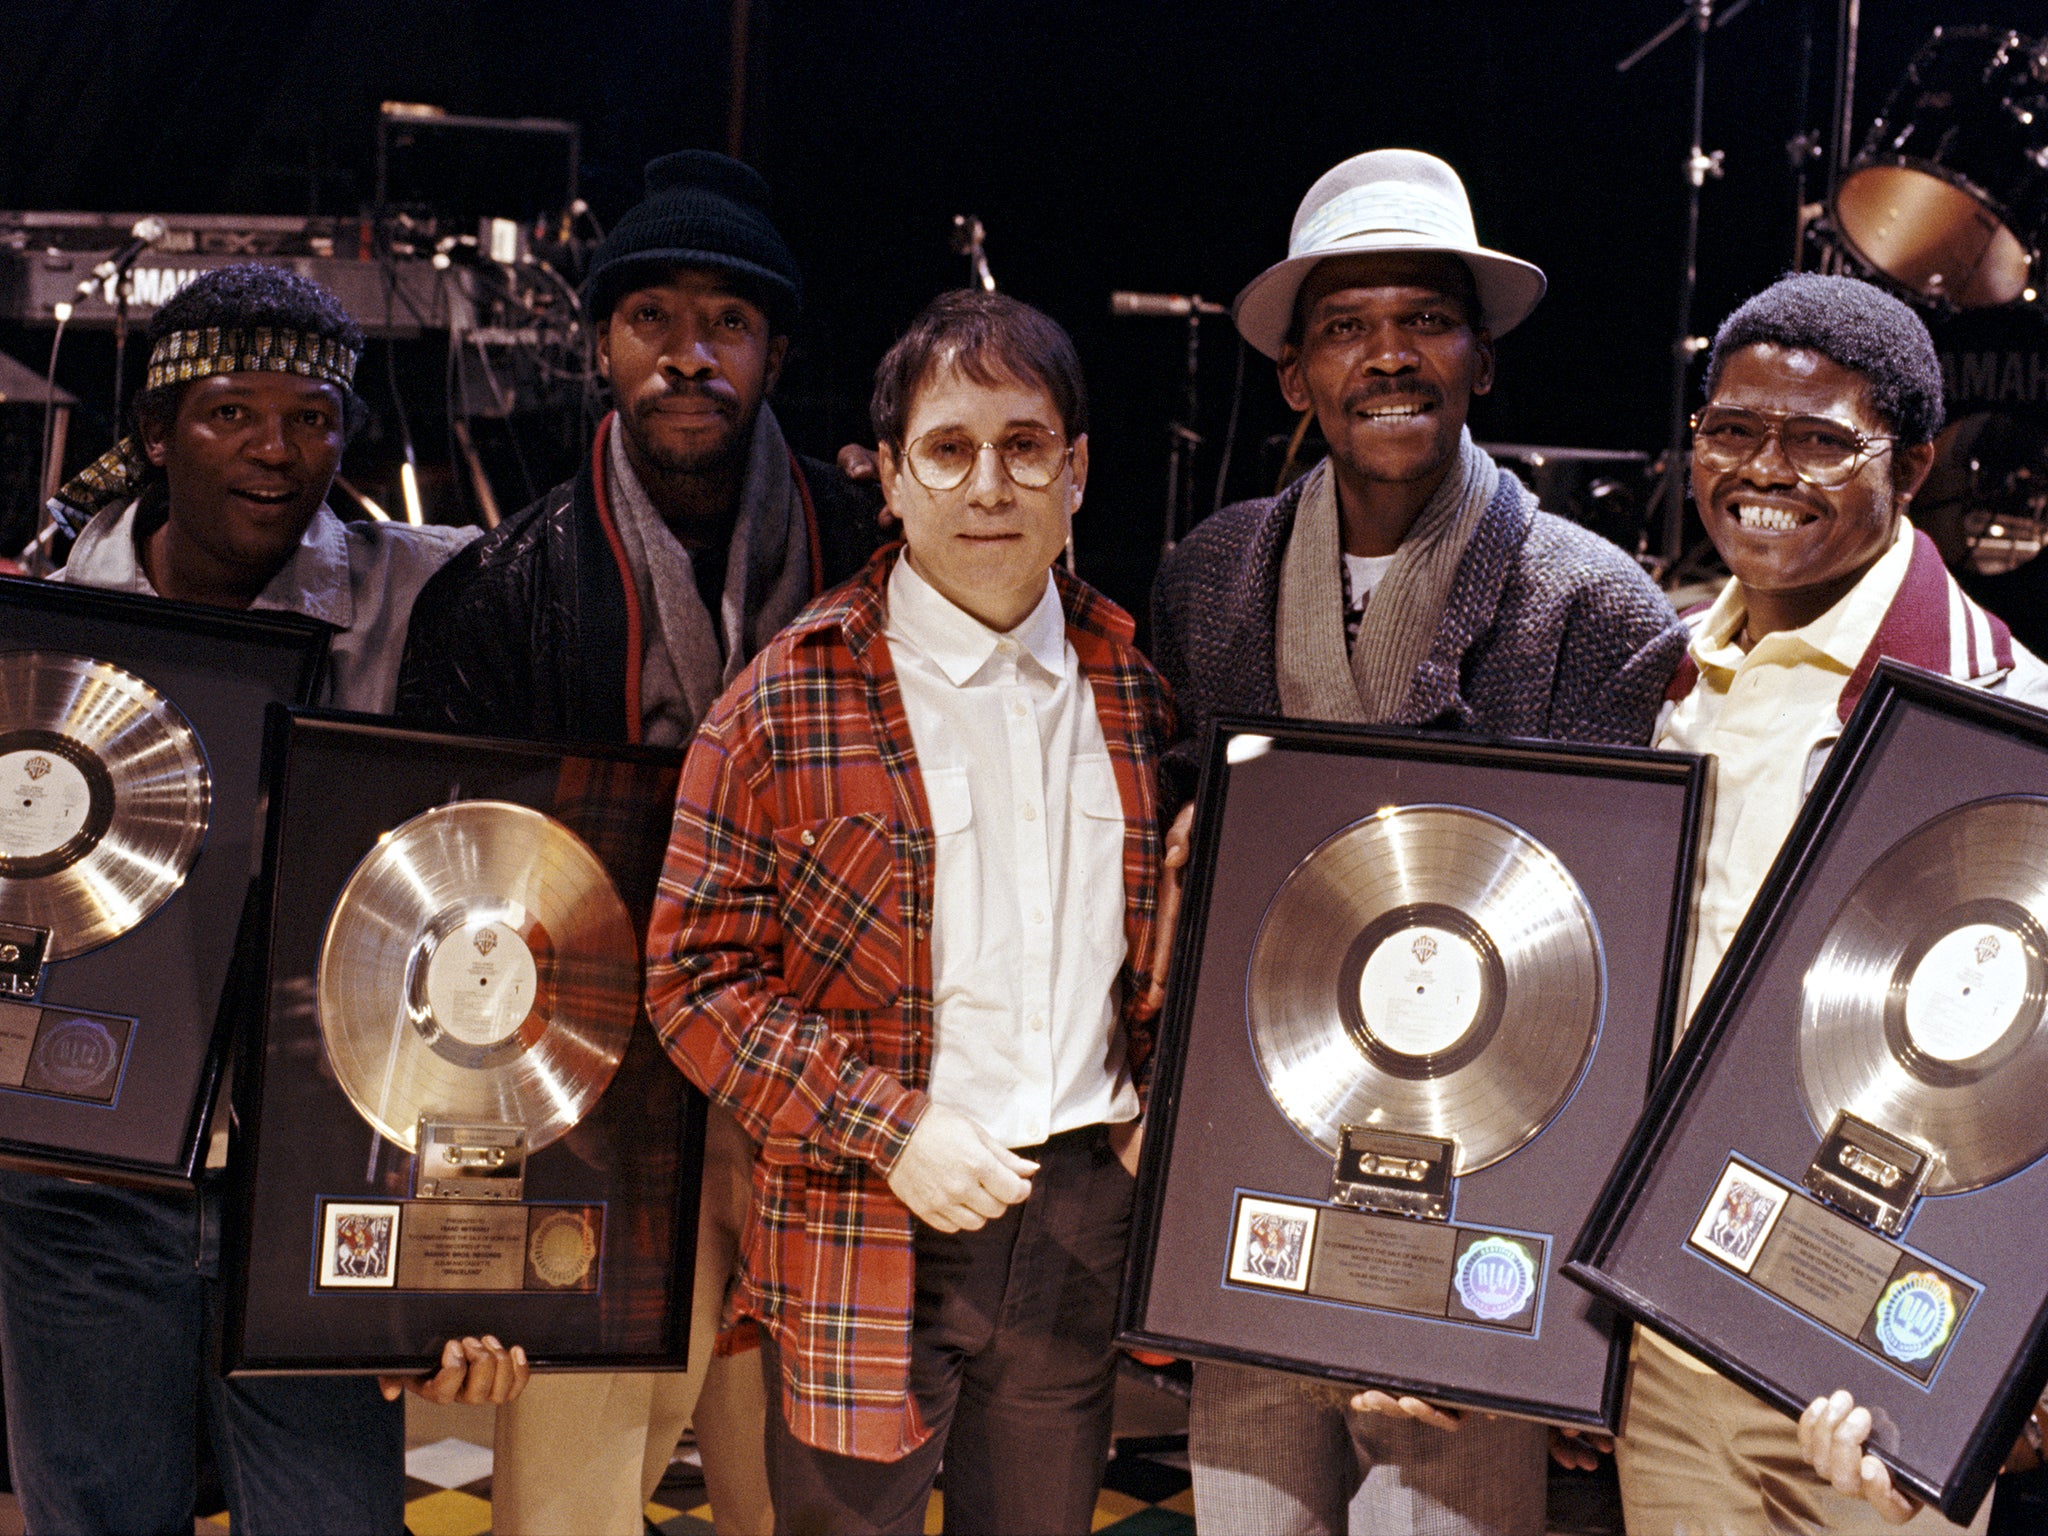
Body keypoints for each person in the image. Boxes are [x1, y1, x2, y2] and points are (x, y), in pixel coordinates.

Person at [1149, 148, 1688, 1536]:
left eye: (1425, 321)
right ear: (1293, 376)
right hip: (1258, 1174)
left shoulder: (1595, 606)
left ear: (1482, 360)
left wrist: (1540, 1321)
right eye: (1345, 329)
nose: (1389, 358)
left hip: (1476, 1201)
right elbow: (1183, 891)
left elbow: (1608, 979)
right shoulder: (1210, 580)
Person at [397, 149, 879, 1536]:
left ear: (775, 351)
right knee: (567, 1507)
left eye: (726, 322)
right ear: (604, 346)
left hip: (812, 1098)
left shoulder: (874, 554)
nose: (690, 355)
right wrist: (453, 1217)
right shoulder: (498, 592)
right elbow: (446, 911)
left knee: (801, 1507)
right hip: (591, 1112)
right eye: (653, 319)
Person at [0, 263, 519, 1536]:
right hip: (82, 1176)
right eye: (233, 412)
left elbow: (588, 568)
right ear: (159, 432)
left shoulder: (429, 587)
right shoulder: (39, 613)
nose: (276, 451)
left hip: (315, 1169)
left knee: (330, 1521)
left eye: (313, 417)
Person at [646, 289, 1173, 1536]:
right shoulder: (782, 702)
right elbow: (691, 979)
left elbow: (1160, 952)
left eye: (1023, 445)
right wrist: (888, 1130)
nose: (988, 484)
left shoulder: (1139, 696)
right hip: (861, 1210)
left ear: (1077, 470)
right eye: (947, 449)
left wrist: (1163, 1112)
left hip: (1079, 1215)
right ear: (888, 477)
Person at [1619, 271, 2048, 1534]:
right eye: (1732, 430)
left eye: (1819, 442)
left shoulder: (2005, 718)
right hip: (1674, 1339)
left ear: (1908, 467)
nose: (1764, 471)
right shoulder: (1660, 677)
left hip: (1886, 1370)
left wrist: (2014, 1392)